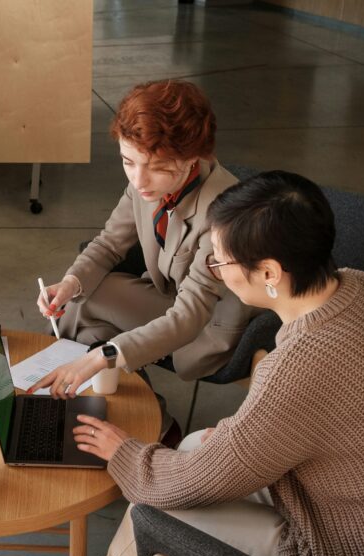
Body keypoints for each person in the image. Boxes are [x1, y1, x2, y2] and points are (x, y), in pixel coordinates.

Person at [29, 170, 364, 556]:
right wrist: (236, 440)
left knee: (157, 505)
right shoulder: (362, 289)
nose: (215, 268)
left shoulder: (304, 364)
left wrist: (122, 452)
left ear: (270, 273)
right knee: (196, 444)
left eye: (221, 261)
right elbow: (296, 423)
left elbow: (190, 481)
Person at [32, 80, 254, 443]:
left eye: (156, 166)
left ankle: (139, 421)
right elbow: (108, 244)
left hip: (207, 325)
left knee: (89, 333)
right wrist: (69, 283)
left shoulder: (223, 214)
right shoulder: (147, 182)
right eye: (127, 161)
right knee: (83, 309)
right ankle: (145, 416)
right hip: (172, 300)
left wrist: (102, 357)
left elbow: (189, 316)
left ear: (192, 157)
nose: (138, 180)